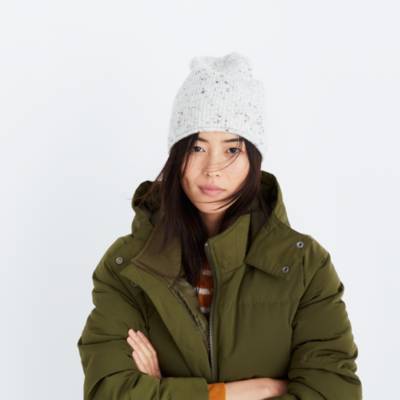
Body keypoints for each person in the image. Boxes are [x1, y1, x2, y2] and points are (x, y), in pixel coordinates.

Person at [77, 52, 362, 400]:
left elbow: (332, 392)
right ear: (176, 155)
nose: (212, 168)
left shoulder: (304, 265)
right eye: (197, 147)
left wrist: (161, 390)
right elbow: (108, 393)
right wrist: (240, 392)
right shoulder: (128, 265)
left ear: (254, 160)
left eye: (231, 150)